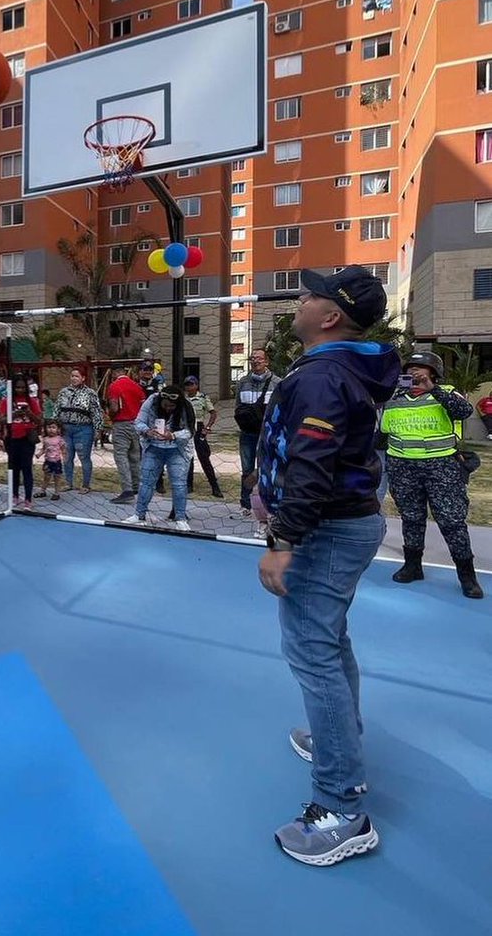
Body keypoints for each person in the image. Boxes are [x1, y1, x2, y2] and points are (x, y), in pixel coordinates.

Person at [255, 266, 399, 867]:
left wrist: (283, 538)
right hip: (343, 522)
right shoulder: (340, 370)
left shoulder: (324, 376)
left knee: (312, 649)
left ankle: (342, 806)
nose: (301, 299)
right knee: (330, 640)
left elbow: (313, 464)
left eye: (311, 295)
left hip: (326, 529)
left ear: (331, 315)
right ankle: (338, 739)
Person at [380, 351, 483, 599]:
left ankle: (467, 575)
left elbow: (463, 411)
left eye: (421, 368)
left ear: (434, 372)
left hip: (441, 467)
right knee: (411, 518)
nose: (415, 373)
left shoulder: (446, 392)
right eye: (411, 368)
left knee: (451, 521)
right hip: (403, 466)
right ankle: (413, 565)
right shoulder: (394, 396)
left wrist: (433, 389)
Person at [125, 386, 195, 531]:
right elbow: (138, 422)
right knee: (147, 482)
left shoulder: (185, 406)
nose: (169, 408)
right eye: (165, 405)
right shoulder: (151, 401)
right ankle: (139, 515)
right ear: (160, 401)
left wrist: (173, 435)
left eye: (172, 406)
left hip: (177, 450)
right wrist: (147, 431)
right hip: (154, 448)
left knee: (179, 484)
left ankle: (180, 518)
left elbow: (189, 432)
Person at [234, 349, 280, 516]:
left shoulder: (277, 383)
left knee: (265, 468)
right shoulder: (242, 382)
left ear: (266, 361)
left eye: (259, 358)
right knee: (247, 469)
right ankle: (245, 505)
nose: (255, 361)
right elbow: (237, 406)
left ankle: (266, 504)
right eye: (252, 358)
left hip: (267, 434)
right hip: (247, 432)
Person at [56, 368, 103, 493]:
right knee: (67, 456)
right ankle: (68, 483)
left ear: (83, 378)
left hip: (83, 429)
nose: (74, 378)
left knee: (84, 457)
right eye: (72, 376)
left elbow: (96, 412)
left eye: (77, 376)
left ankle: (86, 485)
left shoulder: (90, 393)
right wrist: (54, 425)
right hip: (66, 428)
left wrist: (98, 429)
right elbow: (57, 409)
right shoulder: (63, 392)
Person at [0, 376, 41, 508]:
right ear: (13, 388)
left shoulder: (32, 401)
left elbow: (40, 420)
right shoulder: (6, 401)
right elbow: (1, 419)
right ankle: (15, 495)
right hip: (12, 438)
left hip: (27, 438)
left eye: (23, 387)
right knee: (14, 468)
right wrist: (13, 414)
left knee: (27, 468)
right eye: (17, 387)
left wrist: (29, 413)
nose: (20, 390)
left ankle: (28, 498)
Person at [106, 366, 146, 504]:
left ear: (115, 373)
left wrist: (110, 416)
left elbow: (114, 407)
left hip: (121, 423)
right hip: (136, 423)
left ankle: (127, 489)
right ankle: (137, 486)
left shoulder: (114, 386)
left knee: (121, 456)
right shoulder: (137, 386)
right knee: (135, 456)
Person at [183, 376, 224, 498]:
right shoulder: (184, 399)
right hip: (186, 428)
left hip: (199, 427)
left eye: (191, 384)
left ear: (196, 385)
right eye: (187, 385)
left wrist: (207, 428)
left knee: (204, 458)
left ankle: (214, 486)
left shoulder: (203, 398)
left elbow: (213, 413)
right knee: (188, 458)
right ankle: (188, 485)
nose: (189, 387)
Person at [34, 419, 65, 499]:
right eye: (49, 427)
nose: (51, 429)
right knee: (46, 476)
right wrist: (39, 454)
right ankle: (42, 491)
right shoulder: (45, 439)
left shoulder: (59, 439)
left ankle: (56, 492)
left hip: (56, 461)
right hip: (48, 461)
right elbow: (44, 449)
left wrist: (65, 457)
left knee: (57, 477)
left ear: (58, 429)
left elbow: (63, 449)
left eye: (53, 427)